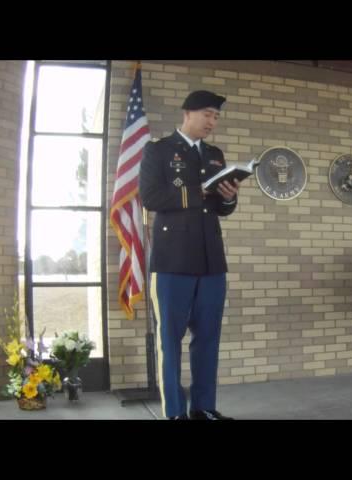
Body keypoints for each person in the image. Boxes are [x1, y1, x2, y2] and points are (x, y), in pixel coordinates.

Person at [139, 90, 240, 420]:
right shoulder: (159, 151)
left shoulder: (215, 154)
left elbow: (222, 209)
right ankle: (174, 413)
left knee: (208, 339)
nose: (213, 122)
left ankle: (204, 408)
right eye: (208, 114)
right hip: (172, 262)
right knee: (170, 341)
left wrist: (228, 196)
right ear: (188, 113)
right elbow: (151, 197)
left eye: (216, 117)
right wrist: (201, 191)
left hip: (211, 261)